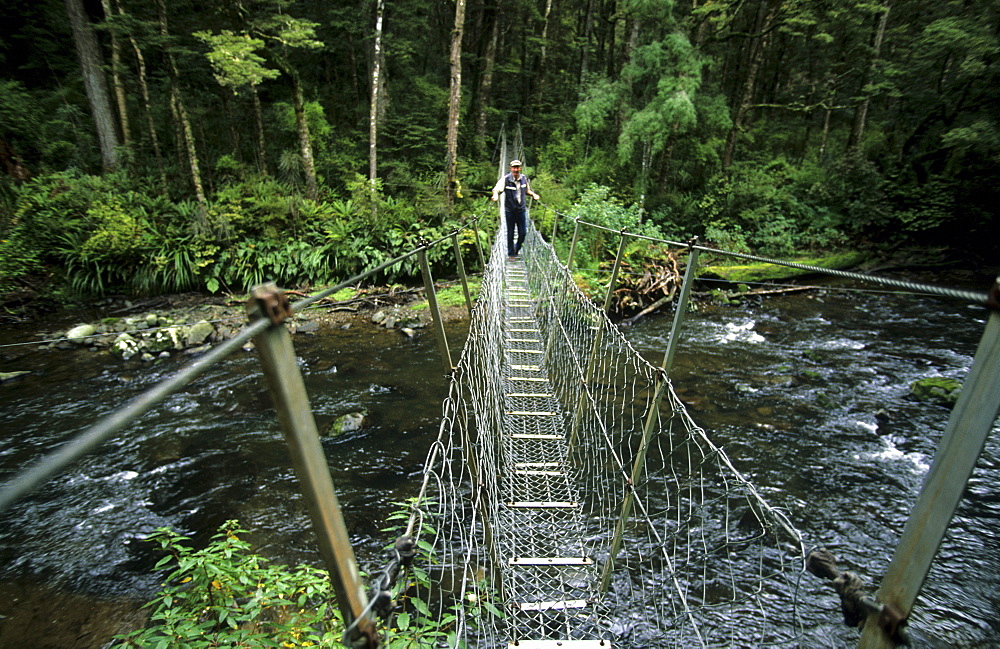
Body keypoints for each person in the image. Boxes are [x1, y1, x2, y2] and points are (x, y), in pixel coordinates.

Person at [491, 159, 540, 260]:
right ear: (511, 168)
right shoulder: (505, 179)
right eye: (514, 167)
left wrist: (534, 195)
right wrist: (495, 196)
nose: (516, 169)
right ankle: (511, 254)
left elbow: (527, 190)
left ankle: (516, 248)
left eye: (517, 167)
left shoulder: (524, 179)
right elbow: (496, 189)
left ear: (520, 168)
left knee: (523, 233)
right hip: (510, 211)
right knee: (510, 232)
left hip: (521, 210)